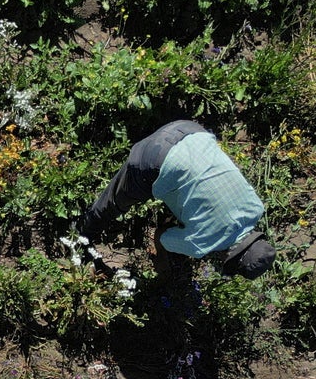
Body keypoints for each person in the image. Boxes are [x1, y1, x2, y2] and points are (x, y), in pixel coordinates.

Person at [75, 120, 276, 280]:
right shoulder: (201, 244)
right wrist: (163, 267)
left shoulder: (255, 207)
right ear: (230, 258)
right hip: (154, 156)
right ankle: (81, 239)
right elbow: (160, 236)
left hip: (191, 130)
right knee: (113, 203)